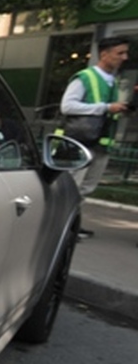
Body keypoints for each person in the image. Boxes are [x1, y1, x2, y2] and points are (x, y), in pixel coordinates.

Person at [59, 36, 133, 237]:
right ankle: (61, 226)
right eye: (120, 53)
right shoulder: (85, 77)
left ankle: (71, 223)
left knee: (86, 187)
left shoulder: (114, 81)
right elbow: (67, 106)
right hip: (82, 142)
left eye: (126, 53)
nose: (124, 57)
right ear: (104, 54)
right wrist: (106, 107)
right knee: (73, 186)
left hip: (100, 143)